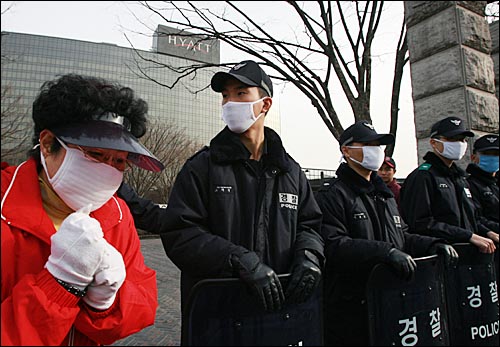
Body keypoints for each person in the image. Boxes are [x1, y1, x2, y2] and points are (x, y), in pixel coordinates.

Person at [121, 60, 324, 320]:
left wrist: (309, 256)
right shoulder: (202, 167)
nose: (230, 103)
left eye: (241, 93)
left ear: (265, 104)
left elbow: (311, 225)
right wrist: (238, 260)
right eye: (225, 96)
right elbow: (180, 232)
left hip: (280, 313)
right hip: (219, 315)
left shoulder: (291, 172)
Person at [1, 74, 164, 346]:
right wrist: (59, 285)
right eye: (96, 155)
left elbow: (142, 306)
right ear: (47, 143)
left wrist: (107, 302)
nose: (107, 170)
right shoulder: (6, 206)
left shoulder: (118, 214)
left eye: (120, 161)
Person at [315, 120, 458, 346]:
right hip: (352, 307)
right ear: (346, 150)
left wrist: (432, 244)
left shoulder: (386, 196)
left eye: (378, 145)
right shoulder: (332, 195)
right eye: (367, 144)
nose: (376, 151)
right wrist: (385, 252)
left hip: (391, 299)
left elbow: (402, 236)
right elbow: (334, 244)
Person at [400, 116, 496, 254]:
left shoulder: (460, 179)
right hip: (440, 256)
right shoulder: (423, 177)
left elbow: (471, 218)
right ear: (434, 142)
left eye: (462, 140)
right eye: (452, 139)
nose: (459, 144)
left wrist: (488, 233)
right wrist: (467, 236)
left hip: (468, 256)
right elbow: (421, 223)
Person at [466, 134, 499, 243]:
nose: (492, 158)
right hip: (487, 244)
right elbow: (474, 218)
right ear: (473, 157)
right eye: (486, 154)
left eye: (496, 154)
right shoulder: (468, 184)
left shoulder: (496, 184)